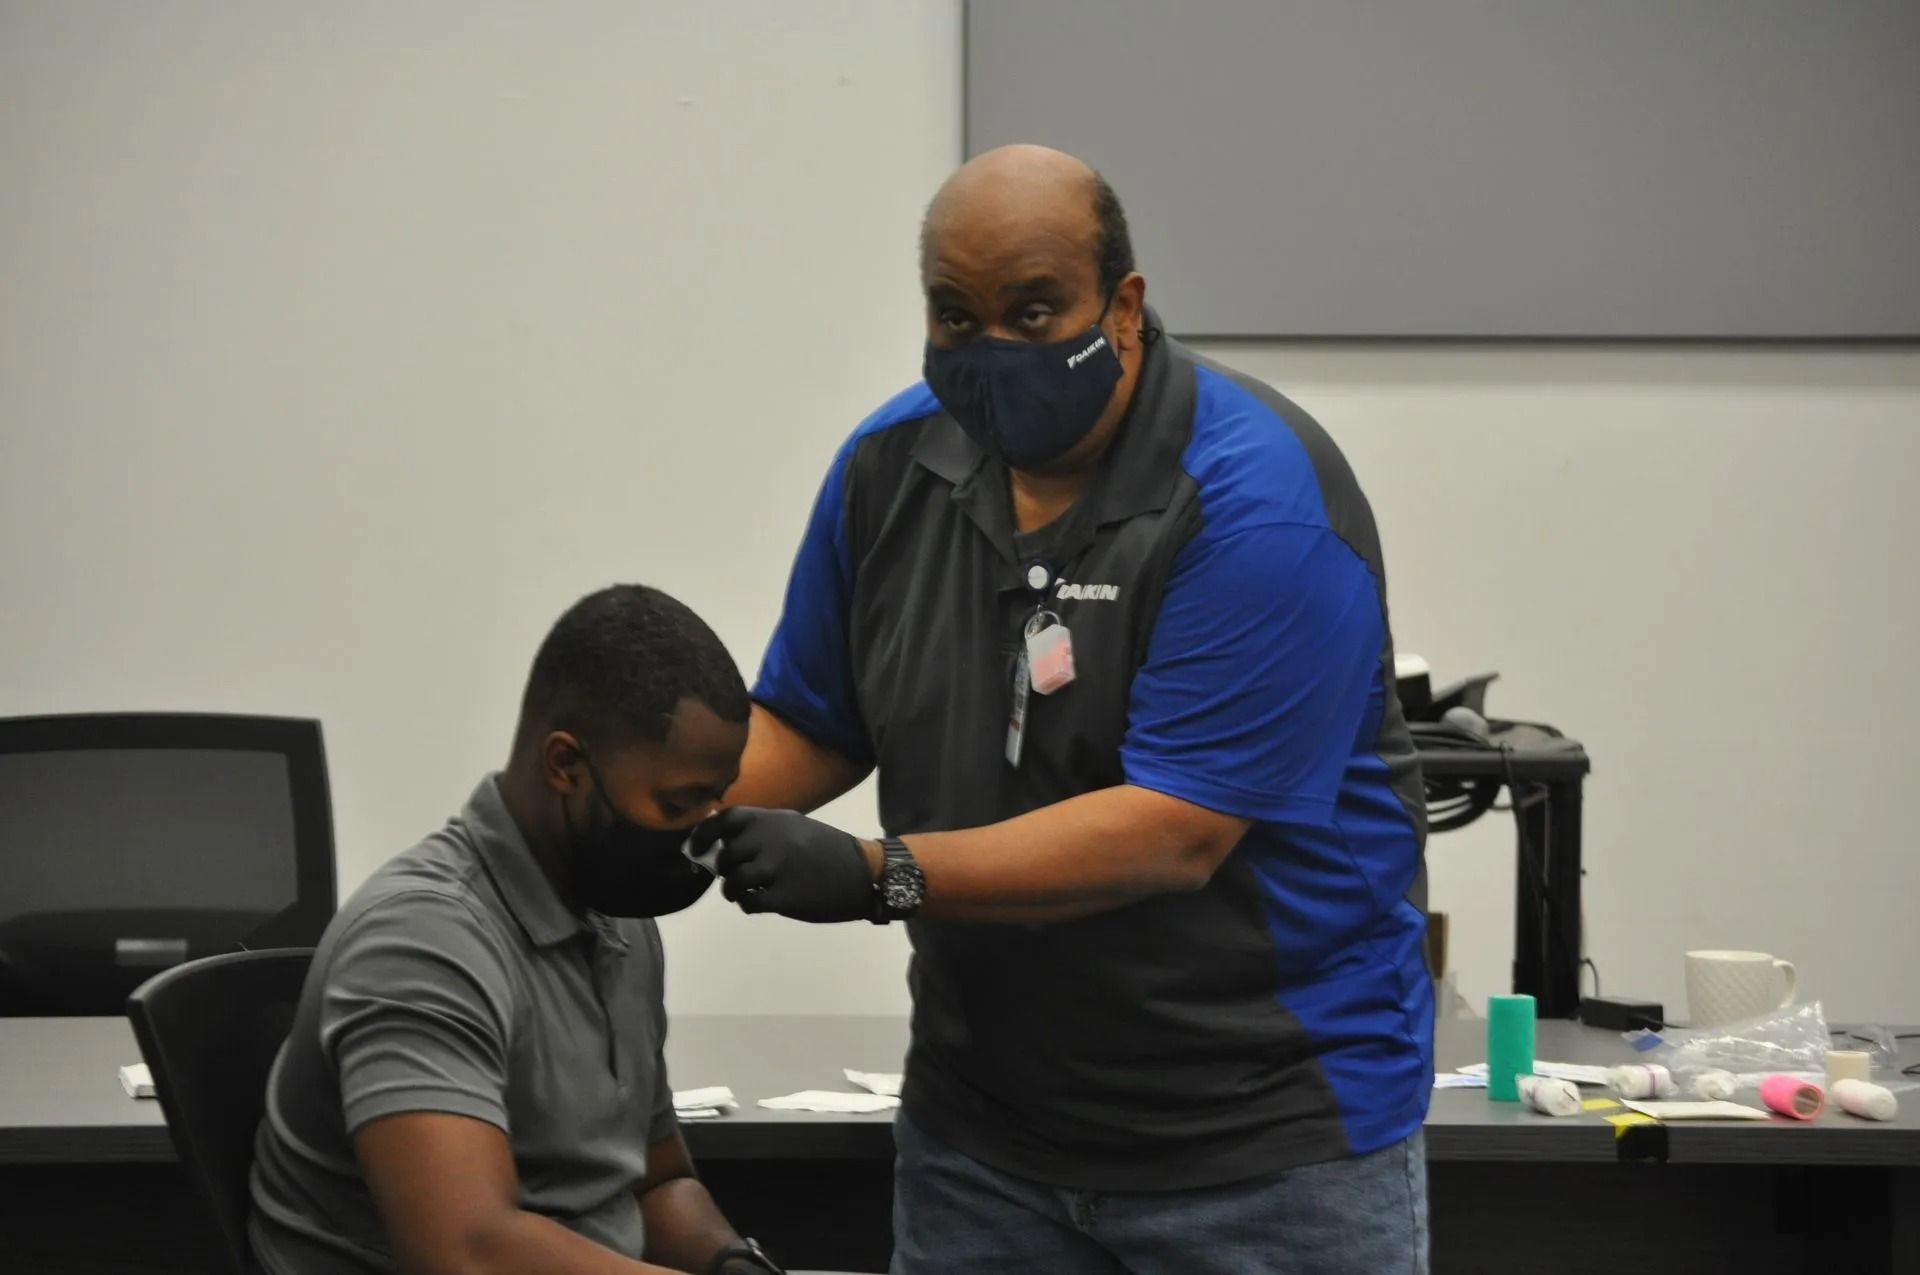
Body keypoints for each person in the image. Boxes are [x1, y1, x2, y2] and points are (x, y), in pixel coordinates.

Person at [699, 145, 1433, 1274]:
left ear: (1124, 308)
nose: (992, 351)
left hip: (1264, 1157)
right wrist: (632, 809)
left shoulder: (1257, 502)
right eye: (956, 317)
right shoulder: (890, 467)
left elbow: (1176, 831)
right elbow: (811, 721)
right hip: (980, 1149)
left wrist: (876, 873)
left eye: (1034, 313)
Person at [250, 585, 785, 1275]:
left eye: (718, 797)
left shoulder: (617, 912)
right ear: (565, 764)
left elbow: (654, 1183)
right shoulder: (421, 942)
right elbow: (468, 1251)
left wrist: (731, 1265)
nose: (703, 832)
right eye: (679, 802)